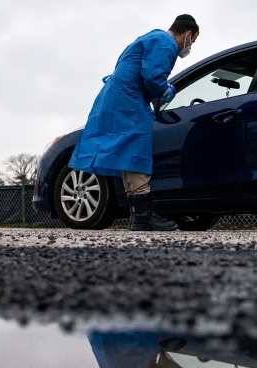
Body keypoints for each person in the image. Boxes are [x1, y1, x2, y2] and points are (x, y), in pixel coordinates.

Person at [69, 14, 199, 231]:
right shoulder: (165, 43)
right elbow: (153, 77)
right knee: (137, 151)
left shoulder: (151, 37)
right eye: (193, 41)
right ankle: (143, 217)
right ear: (187, 34)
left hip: (117, 99)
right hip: (129, 102)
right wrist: (167, 92)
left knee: (128, 155)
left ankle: (137, 216)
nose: (190, 46)